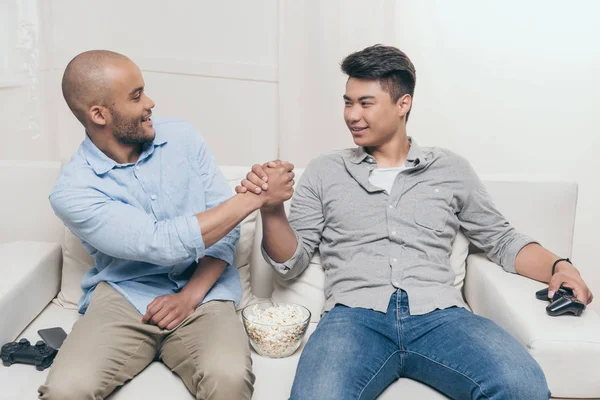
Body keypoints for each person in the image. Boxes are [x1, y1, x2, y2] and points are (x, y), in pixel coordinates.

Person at [236, 44, 594, 400]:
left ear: (403, 104)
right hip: (353, 318)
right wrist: (271, 208)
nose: (351, 115)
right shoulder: (325, 170)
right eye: (348, 102)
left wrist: (560, 267)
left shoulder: (450, 168)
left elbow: (501, 240)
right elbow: (290, 263)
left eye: (365, 103)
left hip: (440, 316)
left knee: (523, 386)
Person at [39, 50, 294, 400]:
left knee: (229, 378)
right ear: (99, 114)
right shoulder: (73, 191)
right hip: (125, 295)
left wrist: (190, 296)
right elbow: (160, 244)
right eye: (136, 96)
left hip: (203, 291)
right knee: (65, 390)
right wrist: (257, 197)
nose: (150, 103)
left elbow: (226, 229)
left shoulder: (183, 137)